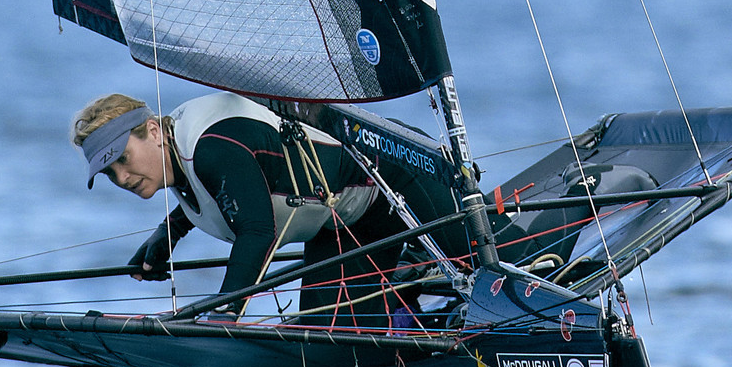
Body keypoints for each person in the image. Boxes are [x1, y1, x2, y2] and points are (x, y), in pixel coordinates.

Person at [72, 88, 461, 323]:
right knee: (328, 342)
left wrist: (224, 313)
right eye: (109, 173)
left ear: (153, 130)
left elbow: (257, 232)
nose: (121, 178)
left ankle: (424, 269)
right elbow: (229, 192)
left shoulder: (210, 147)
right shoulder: (179, 154)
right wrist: (168, 235)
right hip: (347, 224)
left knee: (484, 272)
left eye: (123, 158)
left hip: (400, 176)